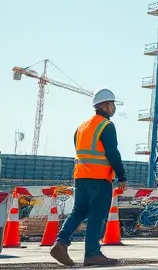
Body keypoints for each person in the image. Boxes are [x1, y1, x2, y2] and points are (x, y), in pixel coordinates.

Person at [50, 88, 127, 267]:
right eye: (112, 105)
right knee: (97, 215)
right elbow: (112, 153)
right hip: (99, 179)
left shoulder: (82, 127)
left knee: (79, 211)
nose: (114, 108)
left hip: (81, 177)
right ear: (104, 106)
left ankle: (60, 242)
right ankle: (92, 253)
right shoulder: (106, 126)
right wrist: (122, 175)